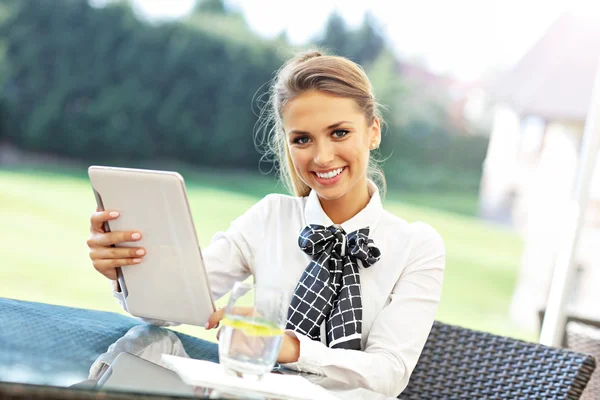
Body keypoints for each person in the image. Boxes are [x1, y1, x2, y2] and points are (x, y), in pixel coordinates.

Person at [86, 50, 446, 397]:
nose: (322, 157)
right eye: (302, 139)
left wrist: (291, 347)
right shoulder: (270, 217)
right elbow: (173, 304)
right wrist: (126, 271)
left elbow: (390, 372)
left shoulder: (417, 246)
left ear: (373, 132)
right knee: (138, 353)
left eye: (339, 133)